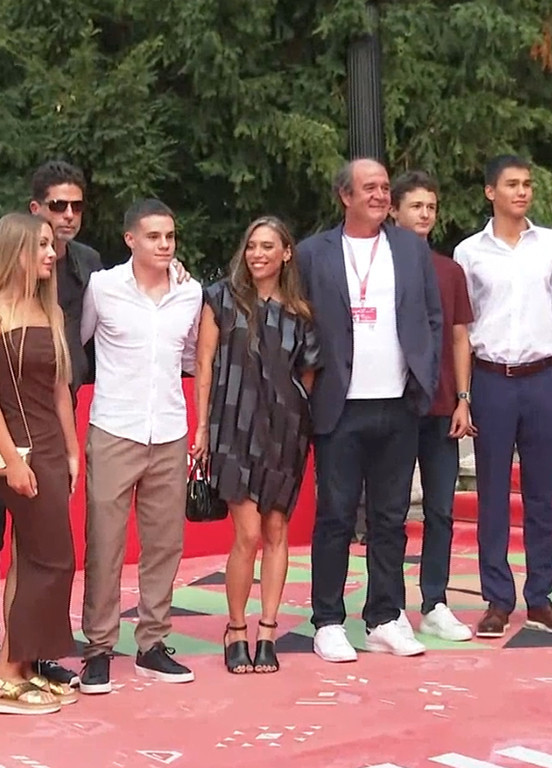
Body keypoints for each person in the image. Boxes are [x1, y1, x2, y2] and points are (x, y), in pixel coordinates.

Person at [0, 161, 102, 697]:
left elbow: (62, 388)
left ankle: (24, 664)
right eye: (40, 245)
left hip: (50, 445)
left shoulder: (49, 310)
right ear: (15, 250)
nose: (51, 253)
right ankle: (2, 668)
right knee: (48, 557)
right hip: (7, 447)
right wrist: (13, 460)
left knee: (34, 557)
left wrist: (71, 450)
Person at [297, 158, 443, 663]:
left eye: (384, 187)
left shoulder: (410, 248)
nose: (381, 195)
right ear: (346, 196)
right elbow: (298, 317)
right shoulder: (313, 253)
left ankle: (384, 616)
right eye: (370, 188)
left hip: (399, 402)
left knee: (390, 518)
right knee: (335, 517)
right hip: (339, 406)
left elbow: (430, 315)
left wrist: (425, 374)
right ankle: (328, 621)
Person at [78, 199, 202, 693]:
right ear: (130, 239)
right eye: (154, 236)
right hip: (114, 428)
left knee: (165, 544)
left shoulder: (190, 293)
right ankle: (98, 649)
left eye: (170, 236)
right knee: (105, 544)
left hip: (169, 430)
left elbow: (191, 356)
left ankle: (153, 643)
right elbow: (79, 344)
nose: (165, 245)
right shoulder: (102, 287)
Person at [453, 155, 552, 638]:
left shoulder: (551, 245)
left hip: (543, 378)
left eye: (527, 183)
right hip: (492, 380)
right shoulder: (469, 252)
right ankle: (497, 598)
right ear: (491, 192)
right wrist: (464, 394)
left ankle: (541, 596)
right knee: (492, 493)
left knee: (542, 493)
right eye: (511, 184)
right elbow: (463, 328)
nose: (522, 191)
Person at [192, 216, 320, 674]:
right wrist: (202, 428)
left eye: (268, 246)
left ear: (286, 254)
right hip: (232, 426)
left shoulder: (301, 313)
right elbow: (204, 363)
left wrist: (293, 416)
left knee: (277, 530)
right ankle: (235, 629)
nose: (257, 254)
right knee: (247, 534)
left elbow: (307, 374)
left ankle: (267, 631)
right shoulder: (221, 299)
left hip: (285, 432)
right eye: (251, 246)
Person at [389, 172, 475, 642]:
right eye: (416, 206)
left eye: (431, 207)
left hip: (444, 405)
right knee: (391, 511)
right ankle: (389, 606)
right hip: (394, 405)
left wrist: (463, 398)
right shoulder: (380, 267)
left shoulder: (449, 271)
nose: (425, 214)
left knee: (441, 509)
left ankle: (435, 601)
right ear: (395, 211)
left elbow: (460, 337)